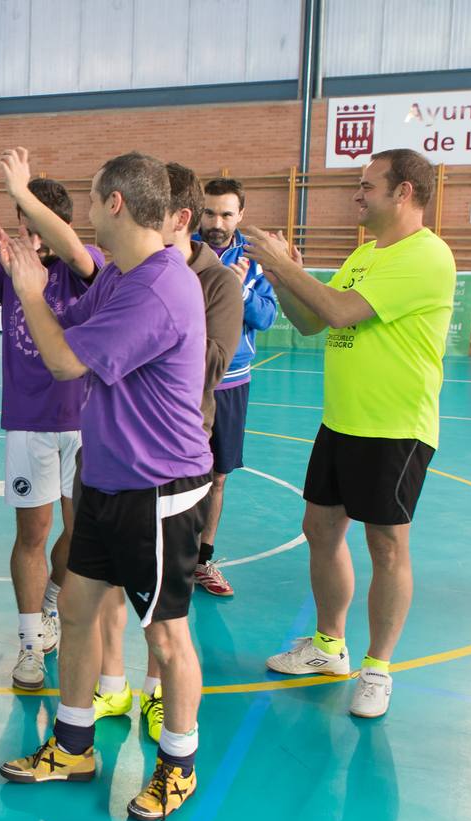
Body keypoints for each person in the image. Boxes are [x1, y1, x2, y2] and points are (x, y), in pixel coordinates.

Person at [0, 153, 212, 821]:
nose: (86, 211)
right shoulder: (124, 273)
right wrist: (24, 205)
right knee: (83, 607)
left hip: (157, 489)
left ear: (115, 203)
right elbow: (78, 258)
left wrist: (30, 289)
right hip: (108, 478)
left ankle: (178, 767)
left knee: (168, 637)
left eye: (91, 199)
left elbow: (64, 361)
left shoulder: (156, 290)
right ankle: (73, 745)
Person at [244, 148, 455, 719]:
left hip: (394, 427)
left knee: (386, 546)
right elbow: (312, 319)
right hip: (341, 420)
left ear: (404, 192)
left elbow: (338, 312)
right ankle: (329, 646)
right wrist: (278, 274)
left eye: (367, 186)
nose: (356, 196)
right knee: (319, 527)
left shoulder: (427, 256)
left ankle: (378, 668)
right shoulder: (365, 254)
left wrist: (284, 265)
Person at [94, 162, 243, 740]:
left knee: (162, 615)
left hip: (171, 456)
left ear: (177, 220)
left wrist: (142, 340)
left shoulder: (208, 282)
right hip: (114, 454)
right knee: (100, 588)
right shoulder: (126, 274)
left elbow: (208, 365)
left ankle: (161, 702)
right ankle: (110, 689)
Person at [0, 149, 102, 691]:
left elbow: (78, 256)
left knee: (81, 532)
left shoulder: (86, 267)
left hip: (85, 424)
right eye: (22, 229)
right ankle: (30, 642)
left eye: (36, 228)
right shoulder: (9, 268)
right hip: (29, 423)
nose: (29, 241)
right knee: (32, 533)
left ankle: (54, 600)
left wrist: (28, 204)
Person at [193, 177, 278, 596]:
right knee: (176, 471)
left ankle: (202, 559)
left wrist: (237, 288)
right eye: (209, 212)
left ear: (240, 215)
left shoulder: (256, 260)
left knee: (218, 475)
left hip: (232, 382)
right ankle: (169, 553)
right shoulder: (184, 251)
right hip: (186, 378)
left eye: (226, 213)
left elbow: (266, 317)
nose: (216, 221)